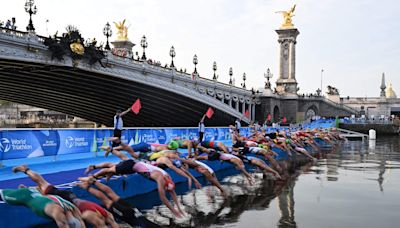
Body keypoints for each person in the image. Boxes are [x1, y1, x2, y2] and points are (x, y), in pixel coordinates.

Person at [12, 165, 118, 228]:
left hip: (76, 200)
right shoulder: (97, 217)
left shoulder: (104, 215)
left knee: (43, 186)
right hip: (72, 203)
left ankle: (27, 182)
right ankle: (25, 171)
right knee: (43, 185)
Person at [84, 159, 185, 217]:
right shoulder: (160, 178)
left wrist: (179, 208)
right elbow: (163, 198)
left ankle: (94, 167)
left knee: (112, 166)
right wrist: (173, 210)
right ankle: (92, 176)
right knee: (110, 169)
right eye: (164, 186)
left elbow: (173, 194)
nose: (163, 187)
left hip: (134, 166)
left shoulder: (167, 176)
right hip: (131, 166)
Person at [77, 178, 160, 227]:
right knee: (106, 201)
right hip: (128, 215)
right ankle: (87, 187)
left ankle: (93, 181)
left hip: (135, 211)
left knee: (113, 195)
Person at [0, 187, 84, 228]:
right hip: (27, 196)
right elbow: (64, 225)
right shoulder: (57, 211)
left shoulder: (73, 208)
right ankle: (24, 188)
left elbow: (81, 225)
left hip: (37, 196)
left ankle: (24, 187)